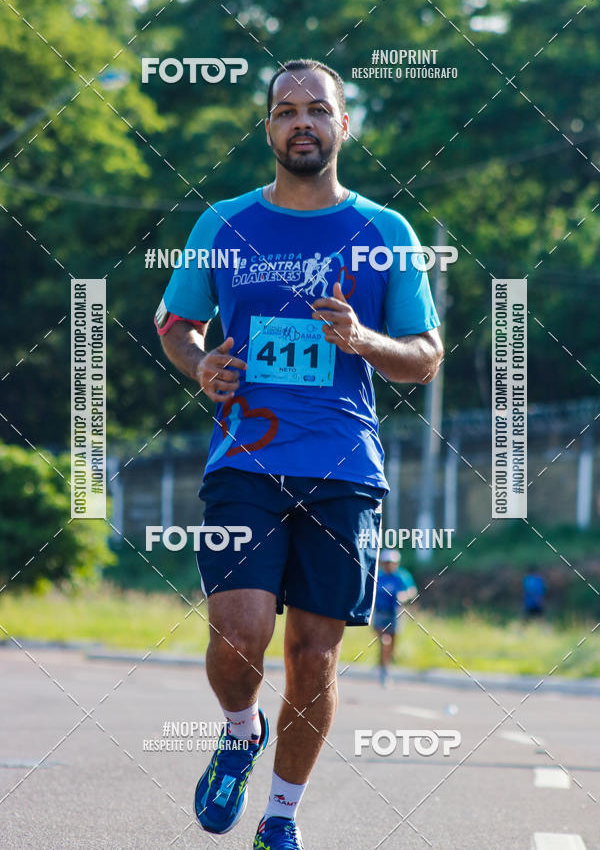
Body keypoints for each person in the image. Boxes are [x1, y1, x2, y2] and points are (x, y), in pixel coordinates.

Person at [155, 58, 443, 850]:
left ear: (344, 126)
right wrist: (199, 362)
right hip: (245, 459)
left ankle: (279, 815)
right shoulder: (223, 224)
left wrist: (362, 339)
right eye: (287, 110)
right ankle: (239, 729)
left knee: (314, 659)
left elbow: (425, 354)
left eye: (319, 109)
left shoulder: (386, 233)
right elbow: (175, 324)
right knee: (235, 634)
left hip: (345, 467)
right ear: (269, 128)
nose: (302, 121)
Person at [372, 549, 417, 686]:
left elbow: (412, 591)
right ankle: (384, 669)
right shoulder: (378, 576)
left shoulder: (401, 576)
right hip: (380, 613)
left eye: (391, 563)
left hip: (395, 613)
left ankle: (385, 663)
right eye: (386, 563)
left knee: (392, 643)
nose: (388, 565)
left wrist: (404, 595)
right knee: (385, 640)